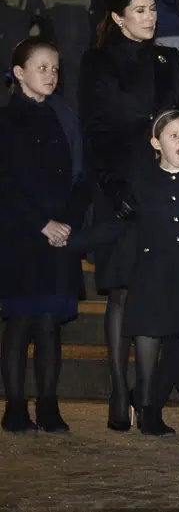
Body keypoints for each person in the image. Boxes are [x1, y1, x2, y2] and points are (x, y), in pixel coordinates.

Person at [77, 110, 179, 437]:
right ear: (155, 143)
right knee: (174, 344)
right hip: (156, 277)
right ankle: (174, 415)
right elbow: (116, 227)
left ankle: (165, 414)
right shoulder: (143, 182)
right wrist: (72, 241)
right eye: (173, 136)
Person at [79, 0, 179, 430]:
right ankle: (120, 391)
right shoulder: (96, 61)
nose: (150, 16)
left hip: (159, 186)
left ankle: (147, 398)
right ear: (118, 17)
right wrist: (109, 184)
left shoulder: (169, 58)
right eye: (139, 10)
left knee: (151, 292)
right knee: (121, 290)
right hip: (116, 186)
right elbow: (94, 131)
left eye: (152, 8)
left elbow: (175, 124)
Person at [0, 38, 88, 434]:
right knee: (21, 321)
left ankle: (49, 405)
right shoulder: (6, 120)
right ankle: (16, 406)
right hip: (22, 234)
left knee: (51, 321)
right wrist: (42, 225)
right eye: (41, 68)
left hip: (60, 232)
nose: (51, 75)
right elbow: (6, 185)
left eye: (55, 68)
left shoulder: (62, 116)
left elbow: (78, 176)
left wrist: (66, 222)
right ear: (19, 73)